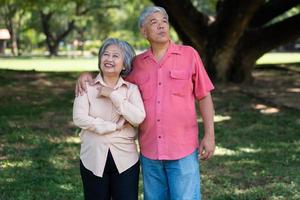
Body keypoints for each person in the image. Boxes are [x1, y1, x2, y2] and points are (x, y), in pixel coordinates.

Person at [76, 6, 215, 200]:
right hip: (150, 153)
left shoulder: (189, 55)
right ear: (144, 32)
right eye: (154, 22)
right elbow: (112, 75)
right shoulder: (137, 64)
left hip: (182, 150)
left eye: (164, 21)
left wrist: (209, 135)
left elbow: (204, 95)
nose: (161, 26)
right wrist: (86, 76)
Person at [73, 38, 146, 200]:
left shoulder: (131, 89)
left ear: (125, 64)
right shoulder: (87, 86)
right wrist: (113, 126)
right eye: (105, 54)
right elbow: (79, 118)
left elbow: (138, 117)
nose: (109, 59)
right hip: (92, 158)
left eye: (115, 56)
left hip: (126, 159)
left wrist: (112, 95)